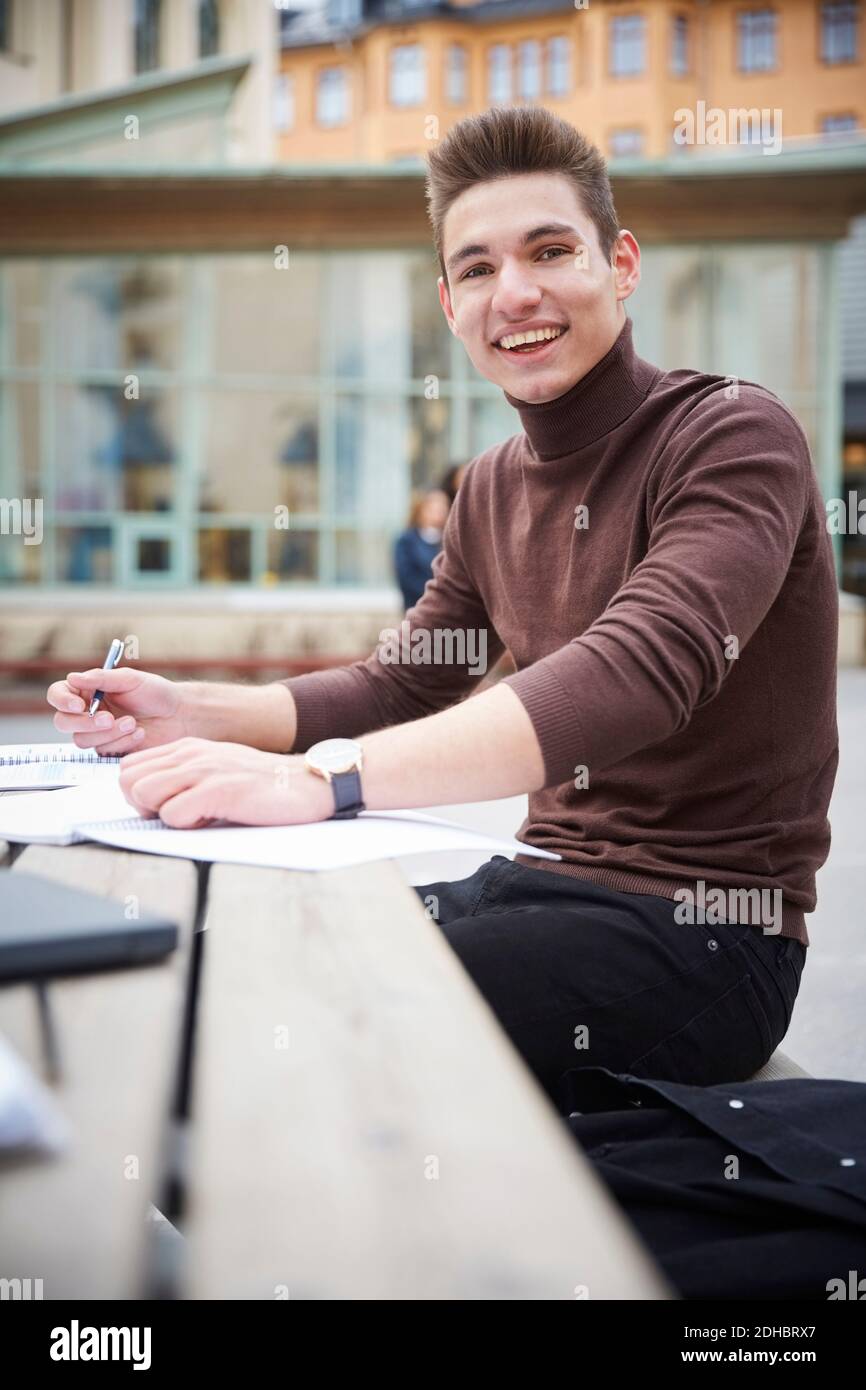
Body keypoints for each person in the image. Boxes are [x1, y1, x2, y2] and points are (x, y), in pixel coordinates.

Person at [46, 106, 838, 1105]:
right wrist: (193, 710)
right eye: (477, 267)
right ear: (450, 302)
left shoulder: (729, 435)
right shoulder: (492, 485)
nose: (514, 292)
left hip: (704, 935)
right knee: (203, 965)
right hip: (541, 881)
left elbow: (640, 670)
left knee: (275, 1020)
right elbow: (405, 680)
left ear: (620, 263)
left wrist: (327, 780)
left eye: (549, 249)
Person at [393, 488, 450, 611]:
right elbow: (407, 578)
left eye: (443, 506)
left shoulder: (451, 540)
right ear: (421, 509)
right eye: (434, 507)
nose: (440, 511)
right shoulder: (407, 541)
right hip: (418, 609)